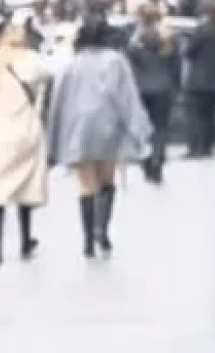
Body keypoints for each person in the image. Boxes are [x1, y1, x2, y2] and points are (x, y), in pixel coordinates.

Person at [46, 14, 152, 258]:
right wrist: (139, 130)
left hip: (78, 128)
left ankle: (87, 240)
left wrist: (53, 139)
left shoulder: (71, 65)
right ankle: (101, 230)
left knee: (86, 183)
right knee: (107, 179)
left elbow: (58, 101)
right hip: (108, 126)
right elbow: (126, 98)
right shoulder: (115, 61)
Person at [0, 14, 51, 265]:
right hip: (27, 131)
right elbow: (47, 80)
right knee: (26, 189)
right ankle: (25, 240)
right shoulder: (34, 62)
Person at [126, 4, 180, 183]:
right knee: (161, 126)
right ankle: (158, 158)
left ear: (141, 18)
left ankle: (146, 159)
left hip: (140, 88)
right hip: (163, 87)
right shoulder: (168, 38)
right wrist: (175, 85)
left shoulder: (135, 39)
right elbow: (175, 64)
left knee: (142, 126)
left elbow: (129, 61)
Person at [183, 4, 215, 158]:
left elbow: (188, 52)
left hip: (199, 82)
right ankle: (207, 147)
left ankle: (195, 148)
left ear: (205, 15)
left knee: (195, 116)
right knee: (210, 116)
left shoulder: (200, 31)